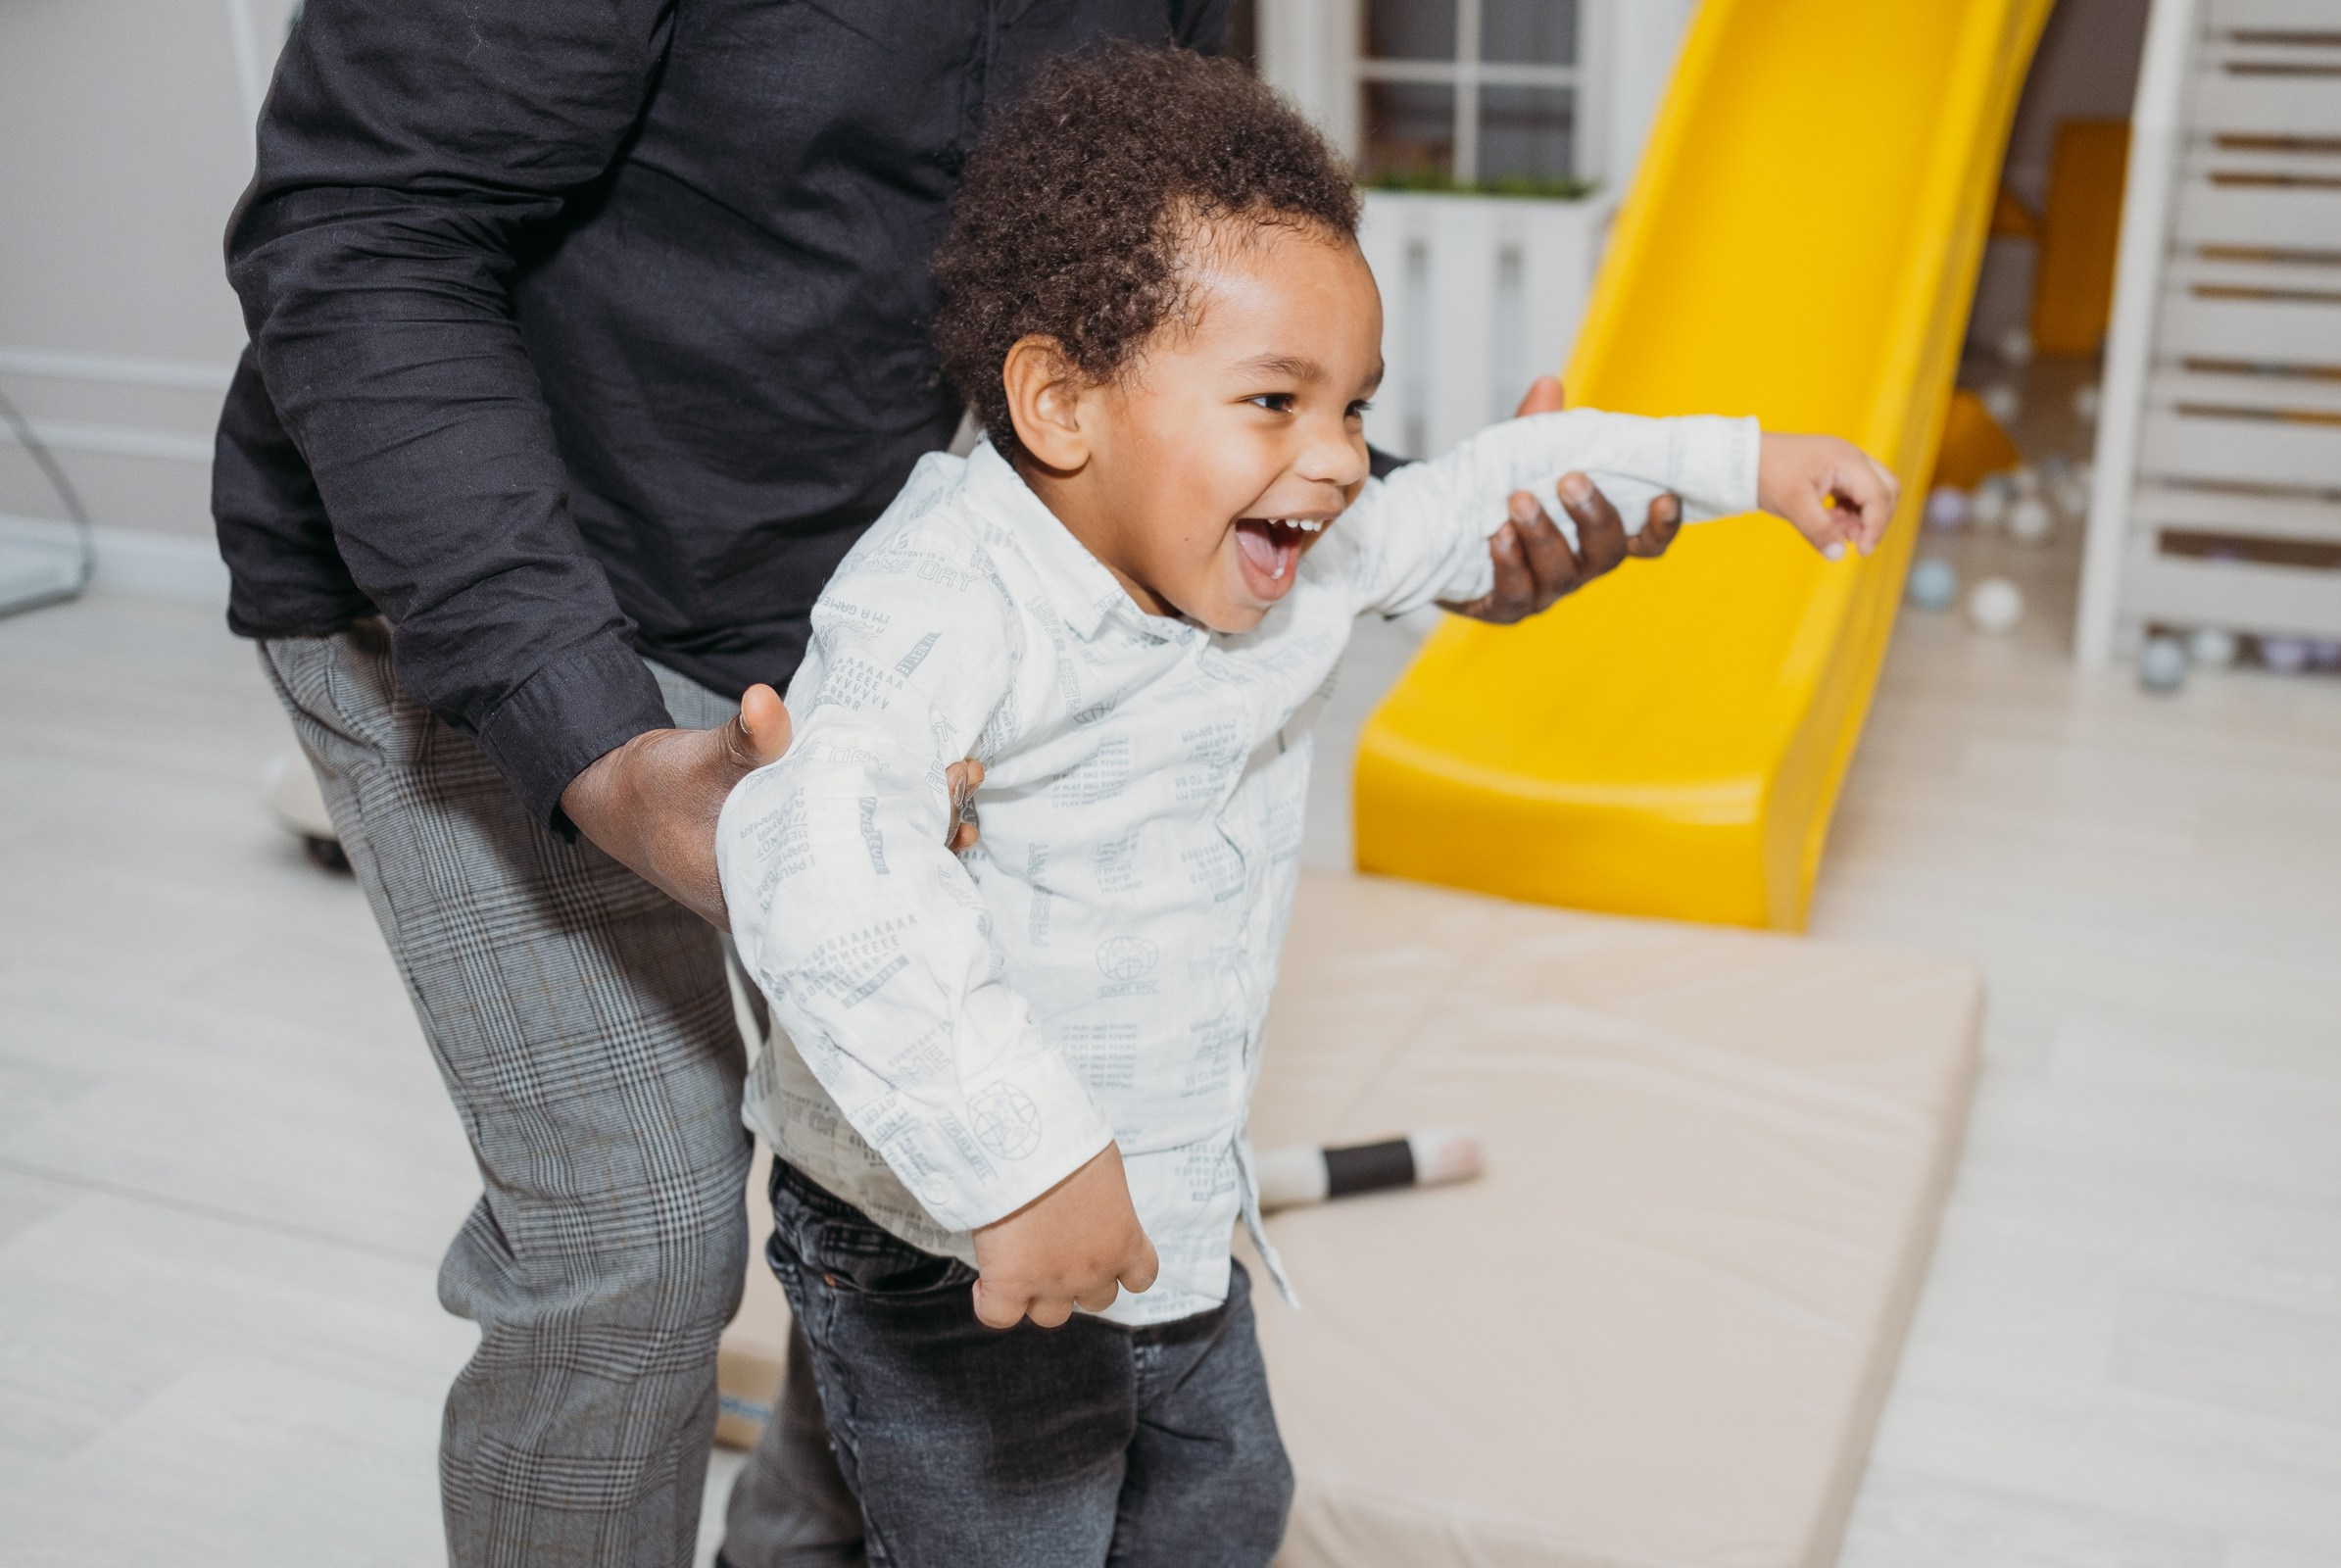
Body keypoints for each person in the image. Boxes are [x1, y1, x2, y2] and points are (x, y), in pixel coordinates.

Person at [208, 5, 1665, 1565]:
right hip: (479, 580)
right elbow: (365, 232)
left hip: (850, 605)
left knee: (928, 1165)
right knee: (638, 1232)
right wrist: (597, 749)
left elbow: (1156, 285)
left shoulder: (934, 607)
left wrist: (1339, 511)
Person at [716, 43, 1898, 1568]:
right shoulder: (950, 602)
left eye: (1353, 407)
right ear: (1062, 401)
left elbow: (1486, 483)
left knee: (1223, 1506)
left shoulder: (1290, 559)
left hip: (1174, 1204)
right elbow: (814, 855)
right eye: (1278, 401)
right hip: (952, 1242)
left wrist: (1745, 463)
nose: (1339, 460)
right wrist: (1023, 1156)